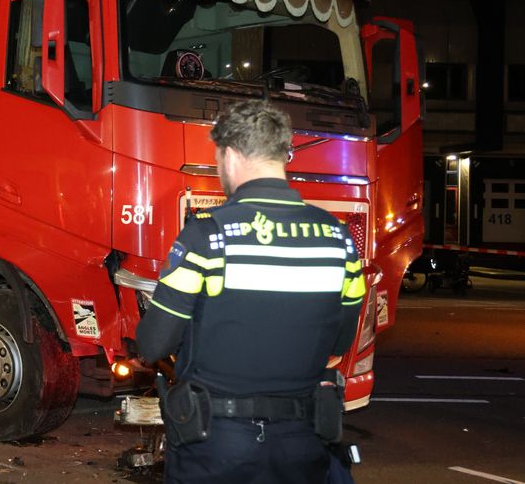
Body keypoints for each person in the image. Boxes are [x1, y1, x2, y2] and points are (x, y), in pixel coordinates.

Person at [136, 99, 365, 484]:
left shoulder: (207, 236)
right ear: (281, 154)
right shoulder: (339, 240)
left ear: (231, 155)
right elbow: (340, 341)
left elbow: (153, 345)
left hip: (215, 443)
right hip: (302, 442)